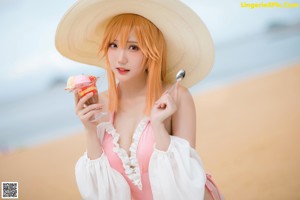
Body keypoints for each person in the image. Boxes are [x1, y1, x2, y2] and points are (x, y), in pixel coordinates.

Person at [55, 0, 219, 199]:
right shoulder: (100, 104)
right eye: (113, 45)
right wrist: (90, 130)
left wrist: (159, 127)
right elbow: (100, 191)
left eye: (133, 48)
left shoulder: (177, 96)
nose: (120, 58)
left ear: (152, 52)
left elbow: (185, 177)